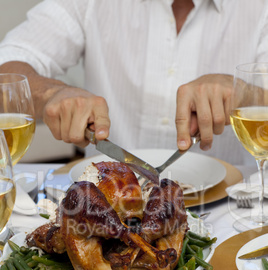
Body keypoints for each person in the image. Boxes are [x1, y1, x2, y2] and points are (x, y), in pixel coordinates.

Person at [0, 0, 267, 165]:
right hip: (100, 220)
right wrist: (51, 93)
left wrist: (247, 96)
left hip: (234, 216)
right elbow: (10, 59)